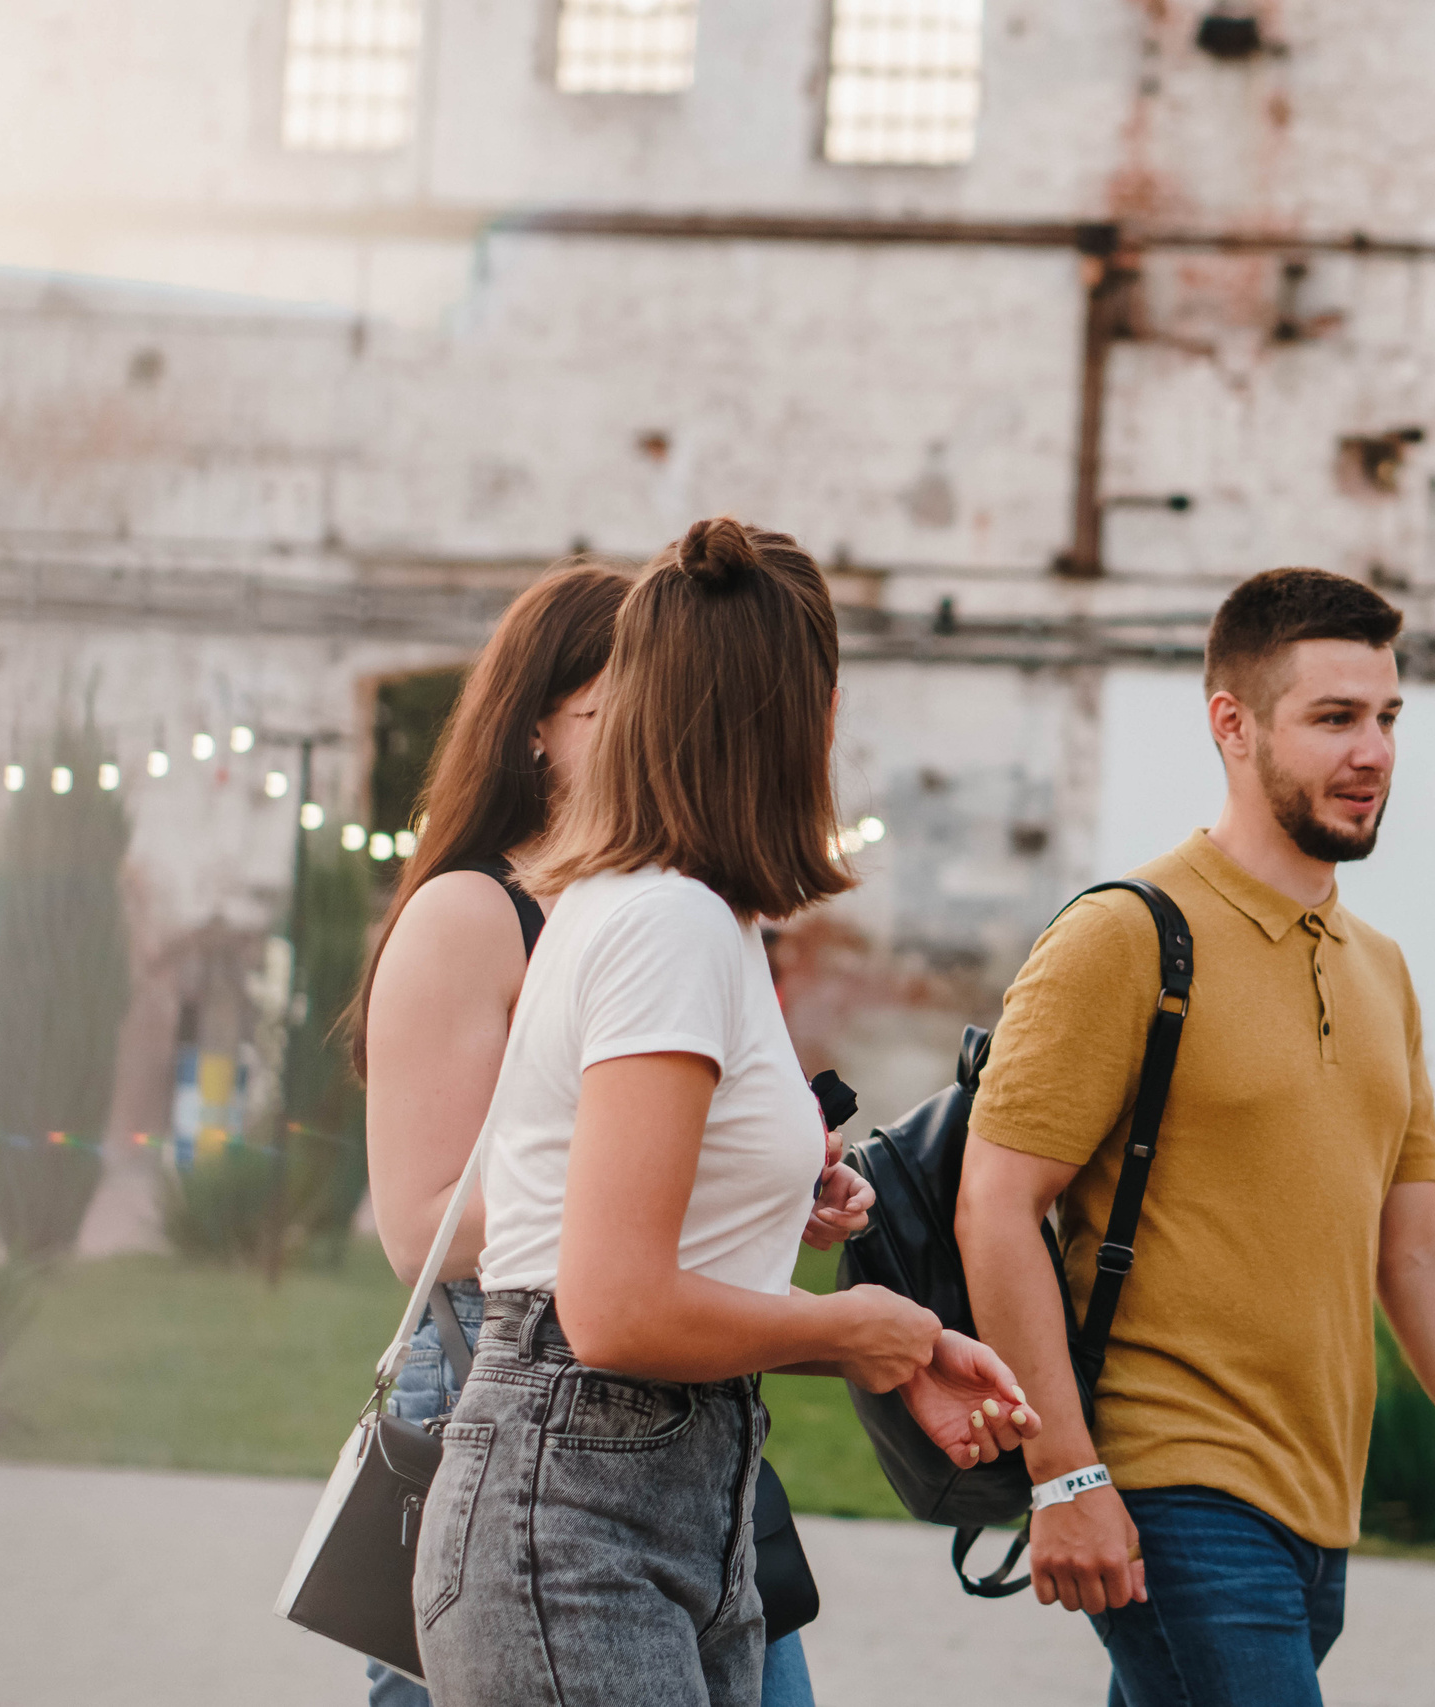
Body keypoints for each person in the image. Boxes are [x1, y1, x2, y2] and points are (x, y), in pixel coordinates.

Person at [414, 519, 1038, 1707]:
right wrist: (857, 1329)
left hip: (652, 1495)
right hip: (579, 1514)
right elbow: (611, 1308)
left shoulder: (689, 915)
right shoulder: (669, 926)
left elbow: (632, 1252)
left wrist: (876, 1321)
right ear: (807, 714)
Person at [957, 567, 1435, 1707]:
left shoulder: (1381, 972)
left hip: (1315, 1508)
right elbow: (995, 1205)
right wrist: (1063, 1472)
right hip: (1171, 1481)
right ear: (1233, 726)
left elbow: (1415, 1248)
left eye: (1387, 718)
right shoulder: (1125, 936)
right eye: (1334, 719)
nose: (1373, 753)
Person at [354, 560, 864, 1707]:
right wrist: (643, 1161)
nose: (649, 729)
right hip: (514, 1371)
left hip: (678, 1395)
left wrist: (773, 1177)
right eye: (613, 703)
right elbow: (419, 1230)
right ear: (534, 727)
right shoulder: (477, 912)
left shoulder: (680, 907)